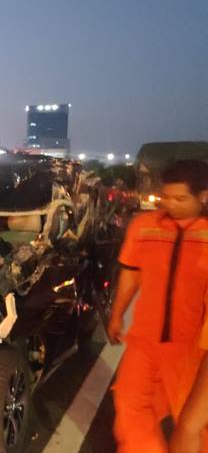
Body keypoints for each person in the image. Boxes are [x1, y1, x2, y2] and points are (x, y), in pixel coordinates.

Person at [107, 159, 208, 453]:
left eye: (180, 198)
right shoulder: (144, 226)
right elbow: (131, 272)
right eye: (167, 197)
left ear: (202, 196)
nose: (171, 204)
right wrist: (117, 314)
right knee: (129, 406)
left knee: (192, 421)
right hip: (144, 340)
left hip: (191, 348)